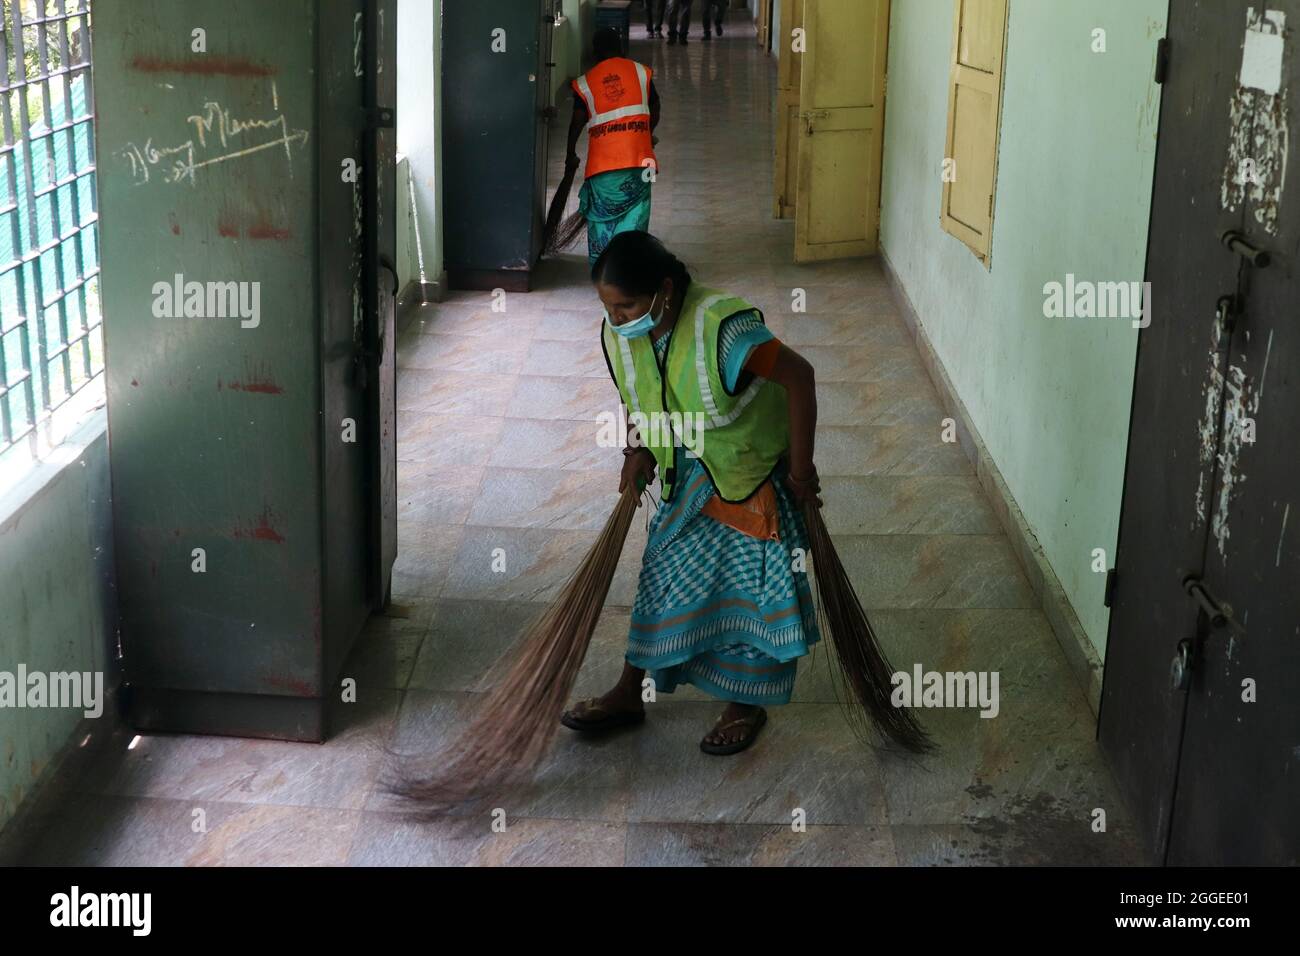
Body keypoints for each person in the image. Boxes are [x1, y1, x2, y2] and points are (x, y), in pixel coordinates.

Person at [561, 231, 824, 755]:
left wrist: (799, 475)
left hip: (750, 474)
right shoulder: (621, 333)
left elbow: (801, 378)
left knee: (752, 590)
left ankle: (744, 704)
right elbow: (639, 393)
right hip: (690, 472)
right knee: (662, 570)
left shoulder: (722, 328)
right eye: (607, 307)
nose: (616, 319)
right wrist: (637, 450)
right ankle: (629, 692)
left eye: (627, 305)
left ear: (663, 290)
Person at [566, 29, 660, 265]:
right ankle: (631, 266)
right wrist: (647, 134)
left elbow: (577, 122)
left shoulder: (586, 82)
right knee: (636, 214)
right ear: (621, 48)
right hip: (640, 161)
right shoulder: (640, 72)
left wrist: (570, 152)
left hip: (602, 167)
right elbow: (655, 108)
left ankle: (604, 268)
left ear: (595, 51)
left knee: (602, 221)